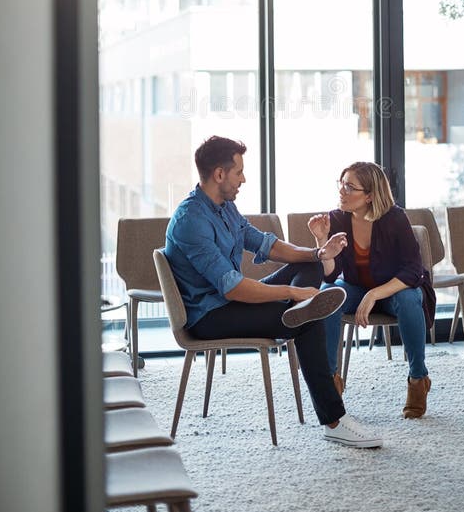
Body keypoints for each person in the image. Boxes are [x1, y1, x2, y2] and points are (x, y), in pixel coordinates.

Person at [164, 136, 383, 449]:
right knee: (308, 320)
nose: (244, 178)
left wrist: (318, 253)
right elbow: (233, 288)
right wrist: (293, 294)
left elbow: (266, 244)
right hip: (210, 315)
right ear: (219, 175)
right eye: (239, 171)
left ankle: (296, 310)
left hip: (230, 301)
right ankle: (334, 421)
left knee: (312, 270)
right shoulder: (191, 221)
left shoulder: (223, 208)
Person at [309, 161, 436, 419]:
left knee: (410, 297)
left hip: (393, 291)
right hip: (356, 288)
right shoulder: (337, 218)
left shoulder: (395, 218)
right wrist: (321, 241)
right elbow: (332, 274)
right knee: (328, 294)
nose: (341, 191)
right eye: (341, 183)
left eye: (349, 186)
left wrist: (374, 294)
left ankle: (418, 379)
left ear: (369, 195)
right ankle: (330, 383)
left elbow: (414, 271)